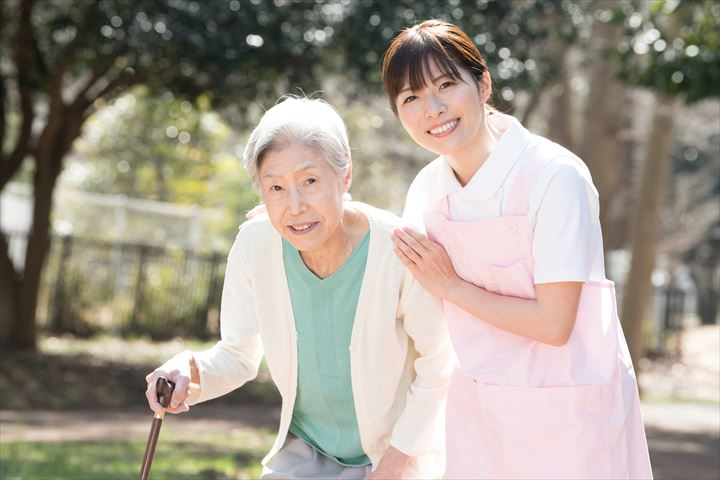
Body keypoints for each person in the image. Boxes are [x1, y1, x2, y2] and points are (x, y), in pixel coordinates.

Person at [382, 19, 653, 479]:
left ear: (483, 84)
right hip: (481, 413)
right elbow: (395, 268)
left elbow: (554, 324)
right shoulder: (428, 189)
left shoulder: (554, 177)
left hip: (571, 417)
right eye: (410, 98)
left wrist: (451, 286)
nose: (433, 108)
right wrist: (303, 216)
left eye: (446, 84)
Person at [144, 97, 454, 479]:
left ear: (345, 177)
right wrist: (187, 370)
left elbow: (438, 365)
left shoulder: (398, 249)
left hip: (394, 456)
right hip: (304, 455)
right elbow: (238, 356)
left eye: (310, 181)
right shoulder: (256, 245)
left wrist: (395, 463)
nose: (295, 206)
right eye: (276, 187)